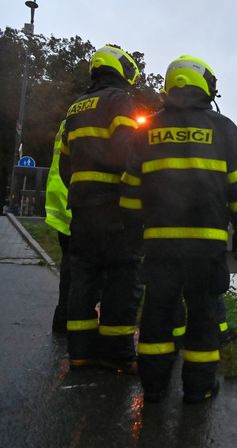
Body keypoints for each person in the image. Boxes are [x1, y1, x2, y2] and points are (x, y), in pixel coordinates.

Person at [120, 55, 237, 403]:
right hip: (205, 248)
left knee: (157, 314)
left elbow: (131, 189)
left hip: (160, 247)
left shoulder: (146, 129)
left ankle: (153, 386)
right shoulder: (223, 128)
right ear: (205, 85)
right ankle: (199, 388)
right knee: (204, 316)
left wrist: (134, 233)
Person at [59, 45, 143, 372]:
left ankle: (79, 353)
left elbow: (65, 162)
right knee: (123, 276)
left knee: (84, 279)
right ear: (121, 70)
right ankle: (118, 353)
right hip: (114, 207)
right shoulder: (118, 100)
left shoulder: (76, 107)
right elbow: (128, 153)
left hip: (82, 207)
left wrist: (82, 189)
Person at [44, 120, 71, 334]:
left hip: (61, 200)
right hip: (75, 203)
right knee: (83, 271)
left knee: (70, 266)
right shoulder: (91, 118)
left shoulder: (68, 120)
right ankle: (74, 322)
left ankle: (62, 318)